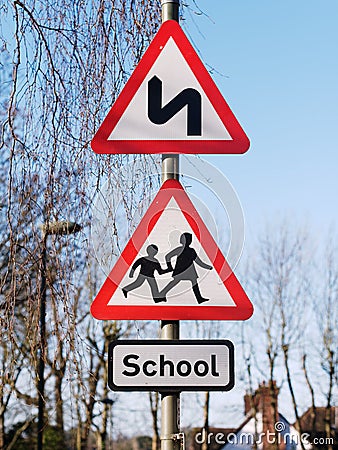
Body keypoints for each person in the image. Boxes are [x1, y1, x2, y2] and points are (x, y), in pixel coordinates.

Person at [160, 232, 212, 304]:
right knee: (175, 282)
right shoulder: (180, 250)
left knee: (193, 283)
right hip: (181, 270)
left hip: (189, 271)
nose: (189, 241)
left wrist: (208, 267)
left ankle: (199, 298)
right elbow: (167, 256)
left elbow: (198, 262)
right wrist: (170, 267)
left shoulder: (191, 251)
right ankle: (162, 294)